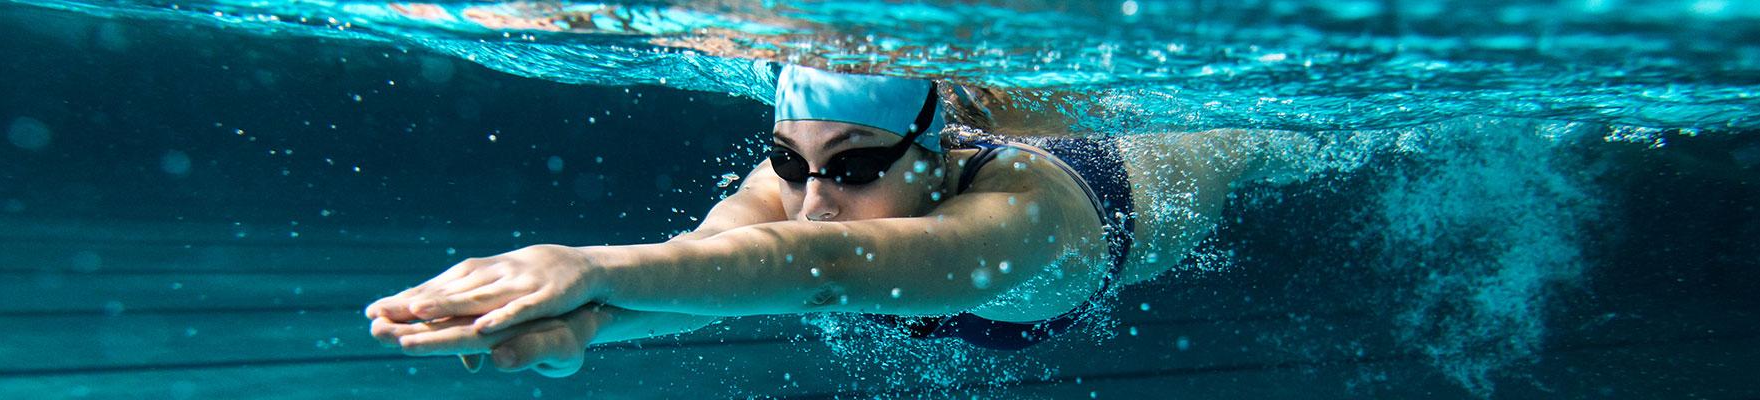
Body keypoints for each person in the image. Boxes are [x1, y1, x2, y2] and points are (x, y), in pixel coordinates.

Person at [366, 65, 1260, 377]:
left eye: (857, 165)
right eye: (791, 163)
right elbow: (713, 267)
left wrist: (588, 266)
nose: (814, 198)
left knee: (1267, 142)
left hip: (1148, 176)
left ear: (936, 156)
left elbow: (822, 266)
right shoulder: (797, 190)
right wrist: (586, 329)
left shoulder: (1021, 219)